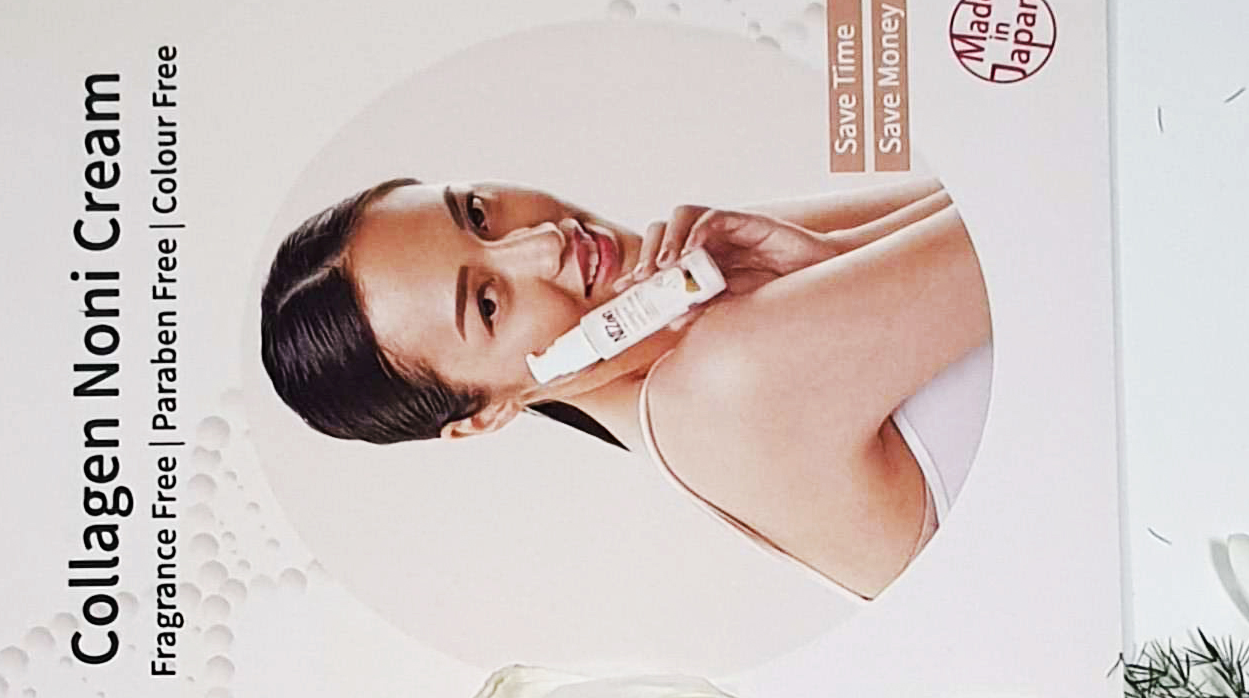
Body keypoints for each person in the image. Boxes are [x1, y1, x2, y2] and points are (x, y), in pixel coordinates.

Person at [260, 176, 991, 601]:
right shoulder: (719, 386)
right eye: (487, 302)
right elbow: (1034, 211)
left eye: (477, 214)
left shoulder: (713, 292)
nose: (544, 242)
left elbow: (997, 189)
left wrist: (833, 258)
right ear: (484, 414)